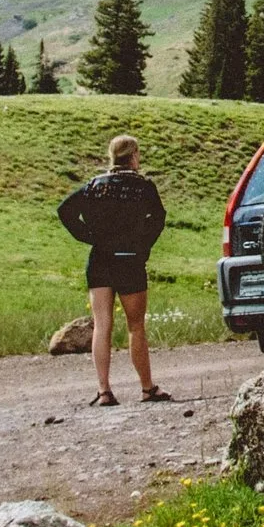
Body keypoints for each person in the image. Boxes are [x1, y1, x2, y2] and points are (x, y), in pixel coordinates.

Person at [58, 133, 171, 406]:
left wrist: (90, 236)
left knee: (102, 325)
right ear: (134, 156)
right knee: (136, 327)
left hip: (100, 260)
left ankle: (104, 390)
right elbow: (159, 218)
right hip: (130, 259)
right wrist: (142, 245)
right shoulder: (143, 187)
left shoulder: (95, 186)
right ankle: (147, 388)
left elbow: (65, 211)